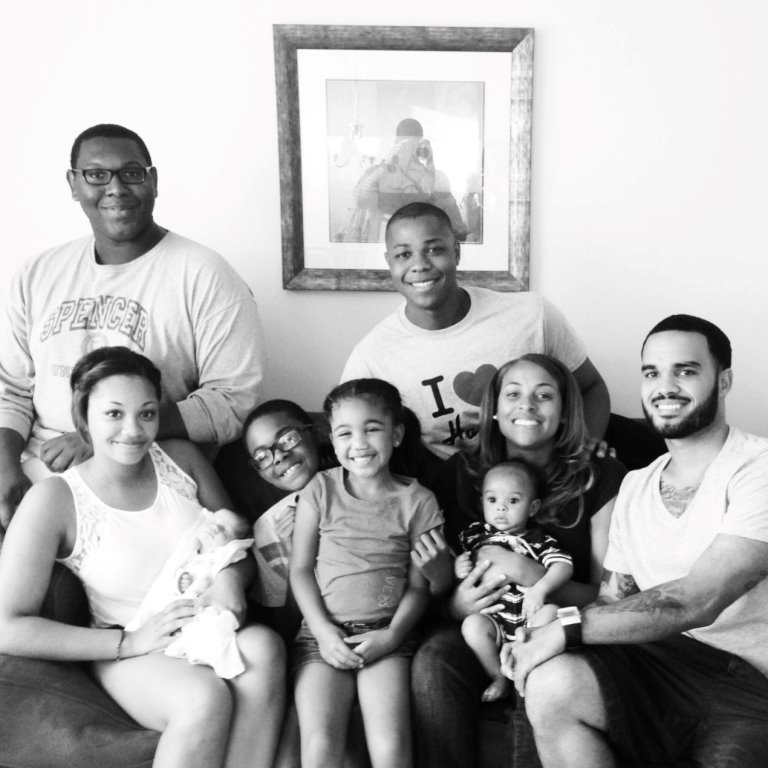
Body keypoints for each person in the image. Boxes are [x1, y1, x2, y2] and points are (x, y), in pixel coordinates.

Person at [502, 315, 768, 768]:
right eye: (651, 373)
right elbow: (612, 599)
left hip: (745, 682)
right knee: (549, 681)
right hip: (653, 666)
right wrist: (548, 622)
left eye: (685, 370)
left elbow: (695, 600)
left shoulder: (757, 468)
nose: (665, 386)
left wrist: (565, 628)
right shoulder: (635, 485)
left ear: (723, 381)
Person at [0, 346, 284, 768]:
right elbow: (9, 627)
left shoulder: (182, 460)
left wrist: (229, 579)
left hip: (204, 625)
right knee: (201, 697)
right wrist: (129, 642)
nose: (133, 430)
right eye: (113, 414)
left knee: (265, 646)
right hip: (130, 646)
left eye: (146, 413)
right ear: (83, 419)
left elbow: (235, 542)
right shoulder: (54, 498)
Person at [0, 123, 266, 531]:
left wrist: (100, 437)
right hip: (37, 471)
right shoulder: (36, 274)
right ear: (73, 184)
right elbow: (11, 388)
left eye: (131, 172)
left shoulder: (205, 274)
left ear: (153, 181)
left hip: (144, 475)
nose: (116, 187)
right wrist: (3, 467)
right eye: (96, 174)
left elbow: (234, 400)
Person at [410, 353, 626, 768]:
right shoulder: (460, 474)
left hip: (559, 622)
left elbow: (606, 596)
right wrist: (455, 605)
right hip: (482, 623)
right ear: (493, 410)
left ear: (565, 412)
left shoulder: (600, 475)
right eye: (513, 394)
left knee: (541, 672)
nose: (526, 405)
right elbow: (438, 576)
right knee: (433, 661)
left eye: (544, 395)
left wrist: (529, 573)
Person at [341, 202, 610, 460]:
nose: (419, 265)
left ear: (456, 252)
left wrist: (581, 449)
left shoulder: (532, 314)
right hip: (441, 495)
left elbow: (592, 387)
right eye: (403, 254)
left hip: (534, 484)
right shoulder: (372, 357)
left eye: (434, 250)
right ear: (389, 262)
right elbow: (350, 438)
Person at [290, 379, 444, 768]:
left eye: (372, 428)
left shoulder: (419, 501)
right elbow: (300, 570)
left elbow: (418, 588)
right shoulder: (320, 489)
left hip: (385, 634)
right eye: (345, 433)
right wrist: (324, 634)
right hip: (321, 637)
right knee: (321, 744)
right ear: (333, 440)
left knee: (390, 746)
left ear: (396, 435)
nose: (358, 443)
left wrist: (392, 637)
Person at [456, 459, 573, 702]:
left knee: (552, 613)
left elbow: (563, 566)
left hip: (531, 619)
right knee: (472, 626)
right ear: (482, 503)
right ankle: (497, 676)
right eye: (492, 500)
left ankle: (528, 668)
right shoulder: (475, 536)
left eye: (513, 501)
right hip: (495, 621)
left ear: (532, 507)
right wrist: (460, 567)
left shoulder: (539, 540)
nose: (501, 508)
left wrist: (540, 589)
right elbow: (456, 564)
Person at [126, 507, 255, 679]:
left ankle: (205, 647)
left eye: (224, 529)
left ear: (234, 543)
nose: (215, 528)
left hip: (206, 604)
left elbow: (220, 582)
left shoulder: (222, 558)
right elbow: (171, 577)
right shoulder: (190, 553)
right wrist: (180, 582)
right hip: (178, 604)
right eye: (213, 522)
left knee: (214, 622)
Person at [339, 119, 466, 243]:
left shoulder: (437, 177)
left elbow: (455, 231)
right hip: (380, 244)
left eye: (416, 146)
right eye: (405, 145)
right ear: (396, 144)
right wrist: (388, 162)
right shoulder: (378, 173)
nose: (411, 151)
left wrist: (430, 169)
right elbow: (360, 203)